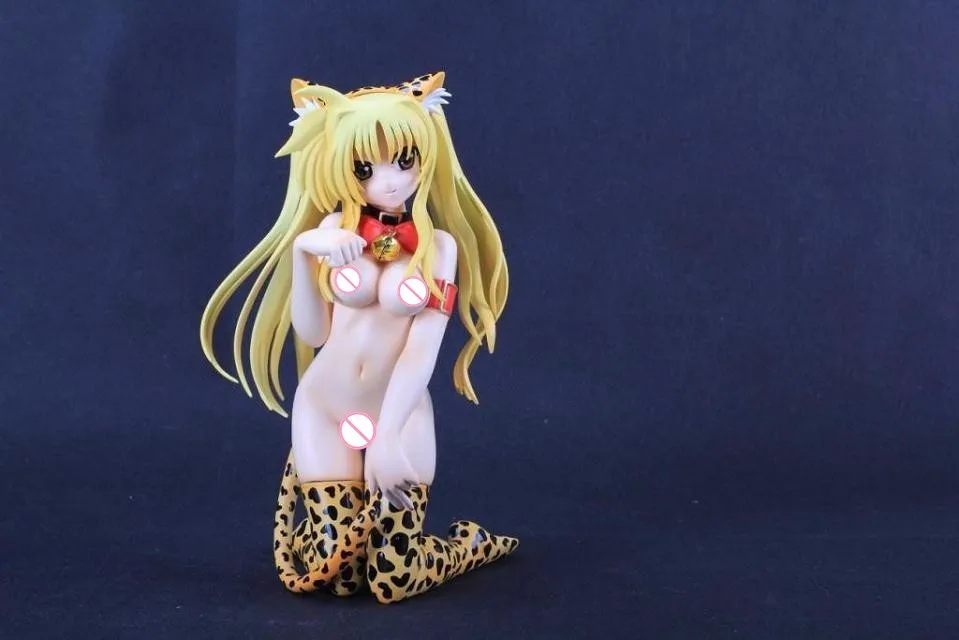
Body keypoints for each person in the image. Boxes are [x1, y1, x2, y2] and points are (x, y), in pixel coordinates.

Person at [199, 71, 518, 603]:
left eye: (404, 161)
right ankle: (319, 539)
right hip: (325, 408)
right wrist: (304, 253)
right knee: (339, 576)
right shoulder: (332, 231)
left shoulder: (439, 248)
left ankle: (468, 546)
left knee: (393, 578)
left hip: (400, 414)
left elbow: (422, 350)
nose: (389, 181)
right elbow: (313, 332)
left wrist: (387, 436)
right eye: (366, 168)